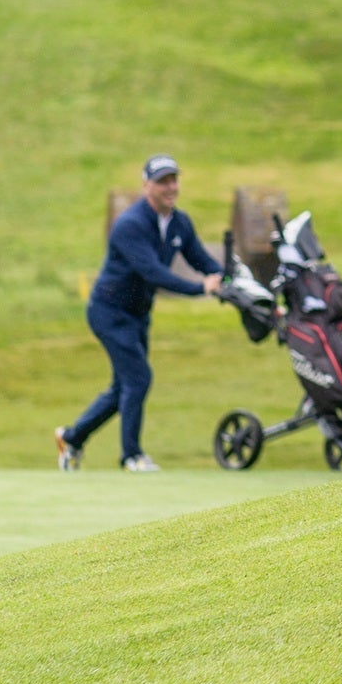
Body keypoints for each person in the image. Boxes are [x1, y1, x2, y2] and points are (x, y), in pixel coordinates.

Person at [57, 154, 218, 472]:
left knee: (124, 387)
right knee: (139, 379)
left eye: (173, 179)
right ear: (146, 186)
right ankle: (131, 455)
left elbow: (203, 260)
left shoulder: (179, 222)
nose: (170, 187)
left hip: (138, 313)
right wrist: (201, 289)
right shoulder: (130, 225)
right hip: (109, 311)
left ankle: (72, 438)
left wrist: (227, 279)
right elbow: (154, 273)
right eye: (162, 181)